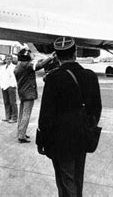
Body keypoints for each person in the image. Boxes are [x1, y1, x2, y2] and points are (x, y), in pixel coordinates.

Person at [36, 36, 102, 197]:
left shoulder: (53, 78)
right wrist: (87, 127)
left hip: (59, 138)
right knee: (77, 177)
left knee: (65, 179)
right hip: (81, 135)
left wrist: (41, 140)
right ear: (75, 53)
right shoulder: (90, 76)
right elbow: (96, 108)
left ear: (57, 56)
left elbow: (46, 114)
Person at [14, 48, 55, 143]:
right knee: (26, 114)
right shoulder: (27, 65)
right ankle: (21, 136)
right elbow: (39, 66)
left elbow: (36, 63)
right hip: (28, 93)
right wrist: (50, 57)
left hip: (22, 92)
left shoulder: (18, 65)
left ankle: (21, 132)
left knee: (21, 114)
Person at [0, 54, 18, 123]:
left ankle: (14, 117)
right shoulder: (3, 67)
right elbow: (0, 77)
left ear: (12, 60)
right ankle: (7, 116)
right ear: (5, 60)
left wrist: (12, 85)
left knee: (12, 102)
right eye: (7, 59)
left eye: (10, 59)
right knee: (6, 102)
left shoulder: (14, 67)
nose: (8, 60)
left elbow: (14, 77)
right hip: (4, 86)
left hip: (11, 86)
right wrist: (1, 85)